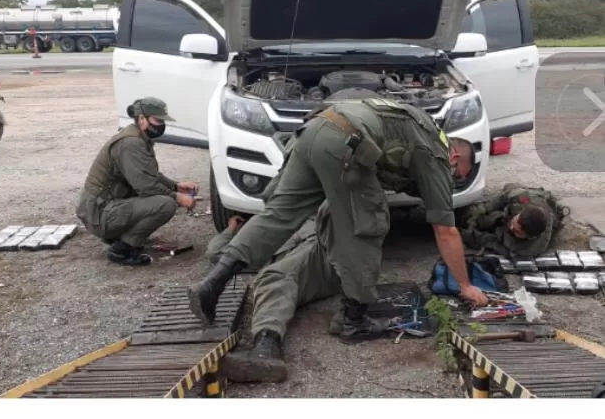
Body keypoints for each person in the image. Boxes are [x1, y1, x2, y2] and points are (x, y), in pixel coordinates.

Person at [188, 97, 488, 345]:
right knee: (367, 222)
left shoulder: (415, 122)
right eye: (457, 175)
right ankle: (353, 320)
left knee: (277, 215)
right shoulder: (435, 151)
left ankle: (214, 282)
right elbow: (445, 229)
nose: (453, 181)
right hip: (345, 144)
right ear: (455, 156)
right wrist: (464, 285)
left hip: (314, 130)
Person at [206, 202, 371, 382]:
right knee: (276, 277)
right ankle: (266, 348)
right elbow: (216, 253)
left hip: (324, 251)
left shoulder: (307, 215)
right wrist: (231, 229)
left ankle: (265, 349)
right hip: (299, 271)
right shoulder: (261, 236)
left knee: (275, 275)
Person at [76, 97, 198, 266]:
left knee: (163, 198)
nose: (161, 125)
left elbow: (149, 174)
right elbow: (146, 186)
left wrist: (176, 185)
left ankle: (119, 236)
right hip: (100, 214)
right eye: (157, 120)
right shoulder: (131, 143)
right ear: (142, 119)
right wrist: (177, 197)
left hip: (103, 208)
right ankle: (122, 249)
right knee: (165, 204)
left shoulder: (136, 137)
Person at [456, 183, 567, 257]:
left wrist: (461, 234)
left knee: (487, 228)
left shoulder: (526, 249)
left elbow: (490, 241)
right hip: (517, 205)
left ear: (529, 237)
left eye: (517, 231)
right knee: (479, 213)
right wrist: (483, 209)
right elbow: (503, 198)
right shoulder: (523, 198)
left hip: (512, 238)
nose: (511, 227)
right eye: (514, 222)